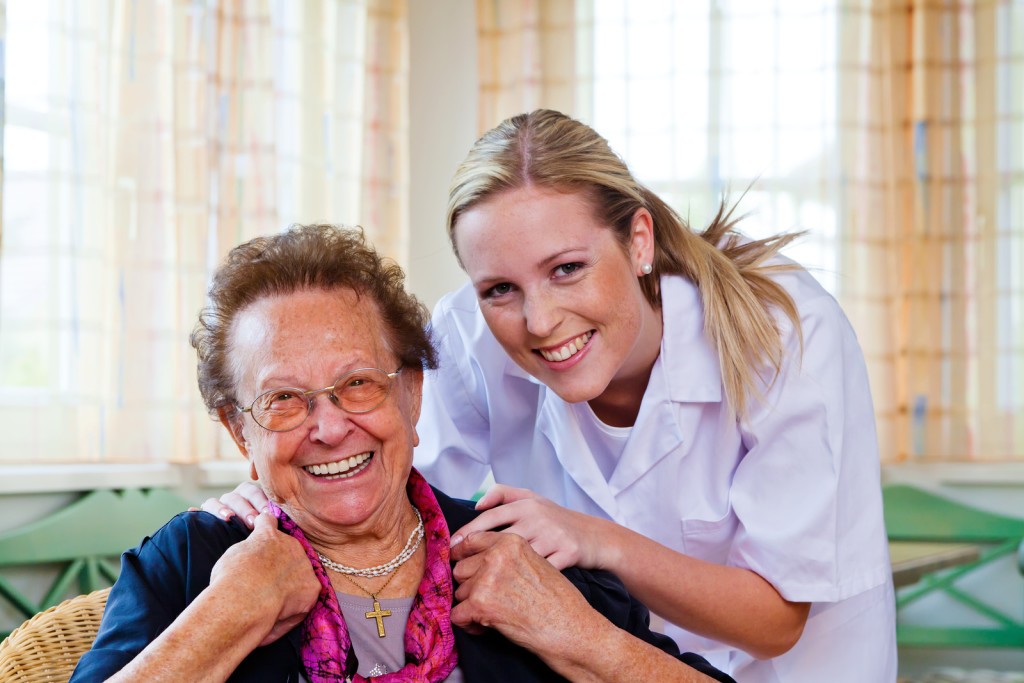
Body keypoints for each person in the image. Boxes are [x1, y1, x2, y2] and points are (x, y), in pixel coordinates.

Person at [207, 110, 897, 682]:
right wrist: (269, 503)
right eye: (499, 289)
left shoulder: (784, 332)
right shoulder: (466, 338)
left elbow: (776, 619)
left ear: (638, 239)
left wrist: (593, 539)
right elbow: (393, 499)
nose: (538, 321)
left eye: (567, 269)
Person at [72, 224, 732, 682]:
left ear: (412, 394)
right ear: (241, 432)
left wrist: (578, 635)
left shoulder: (515, 553)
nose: (328, 427)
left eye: (357, 383)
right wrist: (225, 616)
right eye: (284, 399)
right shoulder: (192, 566)